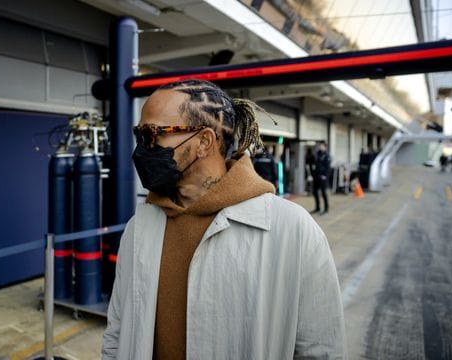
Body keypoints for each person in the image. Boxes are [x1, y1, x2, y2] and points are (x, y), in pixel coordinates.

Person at [102, 79, 345, 359]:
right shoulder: (140, 226)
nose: (143, 148)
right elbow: (117, 331)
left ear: (204, 141)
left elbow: (321, 350)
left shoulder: (292, 230)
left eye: (153, 134)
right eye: (140, 135)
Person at [312, 142, 331, 215]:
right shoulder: (317, 154)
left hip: (323, 177)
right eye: (320, 146)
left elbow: (328, 167)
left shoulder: (327, 155)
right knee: (315, 192)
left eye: (322, 146)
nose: (321, 147)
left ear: (325, 147)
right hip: (316, 176)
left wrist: (325, 176)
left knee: (323, 193)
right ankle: (317, 207)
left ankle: (326, 208)